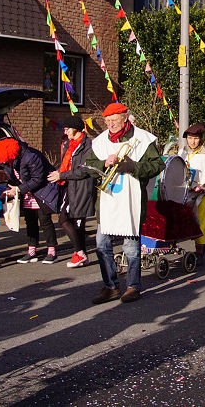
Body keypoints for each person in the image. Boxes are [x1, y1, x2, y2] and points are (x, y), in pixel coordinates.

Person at [86, 103, 163, 305]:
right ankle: (110, 286)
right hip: (107, 202)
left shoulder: (142, 139)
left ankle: (133, 286)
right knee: (102, 244)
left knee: (131, 247)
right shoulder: (101, 141)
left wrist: (133, 166)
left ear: (125, 118)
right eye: (107, 121)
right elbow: (89, 166)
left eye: (114, 120)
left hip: (131, 200)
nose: (110, 125)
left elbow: (157, 165)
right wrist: (103, 163)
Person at [0, 138, 60, 264]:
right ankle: (31, 251)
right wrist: (10, 189)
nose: (5, 163)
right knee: (30, 222)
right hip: (27, 193)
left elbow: (38, 179)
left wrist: (18, 189)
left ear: (11, 154)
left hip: (42, 192)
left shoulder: (31, 156)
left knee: (45, 222)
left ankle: (52, 251)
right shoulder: (9, 162)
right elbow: (14, 179)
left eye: (6, 160)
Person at [47, 115, 97, 268]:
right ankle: (81, 254)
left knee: (75, 221)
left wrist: (62, 175)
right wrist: (59, 173)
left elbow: (84, 170)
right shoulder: (68, 144)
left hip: (82, 187)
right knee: (66, 219)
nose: (65, 131)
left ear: (75, 128)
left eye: (67, 128)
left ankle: (80, 254)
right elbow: (66, 164)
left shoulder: (88, 145)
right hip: (69, 186)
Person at [179, 123, 205, 261]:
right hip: (186, 192)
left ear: (201, 138)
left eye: (196, 138)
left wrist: (204, 186)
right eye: (190, 138)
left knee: (201, 221)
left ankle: (200, 249)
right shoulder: (182, 152)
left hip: (202, 193)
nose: (192, 142)